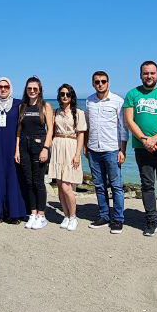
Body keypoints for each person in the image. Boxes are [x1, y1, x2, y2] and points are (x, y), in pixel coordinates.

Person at [124, 61, 157, 237]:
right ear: (140, 75)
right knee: (147, 185)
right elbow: (129, 120)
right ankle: (151, 220)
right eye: (146, 73)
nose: (149, 76)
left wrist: (155, 139)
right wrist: (144, 140)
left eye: (152, 73)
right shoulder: (132, 94)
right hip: (142, 148)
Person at [84, 71, 128, 234]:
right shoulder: (89, 101)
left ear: (108, 83)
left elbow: (123, 128)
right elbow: (87, 125)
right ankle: (104, 215)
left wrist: (122, 150)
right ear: (93, 84)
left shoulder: (118, 101)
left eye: (103, 81)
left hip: (112, 150)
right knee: (99, 185)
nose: (100, 84)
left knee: (116, 186)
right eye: (97, 82)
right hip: (94, 150)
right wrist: (85, 146)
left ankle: (118, 219)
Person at [0, 77, 27, 224]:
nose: (3, 89)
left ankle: (14, 212)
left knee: (13, 178)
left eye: (6, 87)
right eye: (0, 87)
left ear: (11, 88)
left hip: (12, 147)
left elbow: (23, 127)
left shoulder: (18, 104)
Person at [15, 77, 54, 230]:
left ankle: (41, 215)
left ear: (39, 90)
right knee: (29, 181)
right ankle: (32, 213)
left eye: (35, 89)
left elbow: (50, 129)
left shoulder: (45, 106)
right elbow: (19, 130)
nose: (32, 91)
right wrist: (17, 149)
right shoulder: (22, 107)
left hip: (39, 146)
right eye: (29, 88)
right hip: (24, 145)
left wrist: (46, 148)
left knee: (39, 182)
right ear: (26, 90)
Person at [49, 83, 87, 232]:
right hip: (57, 146)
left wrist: (78, 154)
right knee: (59, 185)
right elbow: (51, 131)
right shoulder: (55, 112)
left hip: (71, 147)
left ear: (72, 96)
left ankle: (73, 217)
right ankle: (65, 215)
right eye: (62, 94)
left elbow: (81, 135)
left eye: (68, 94)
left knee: (67, 186)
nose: (65, 96)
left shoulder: (78, 113)